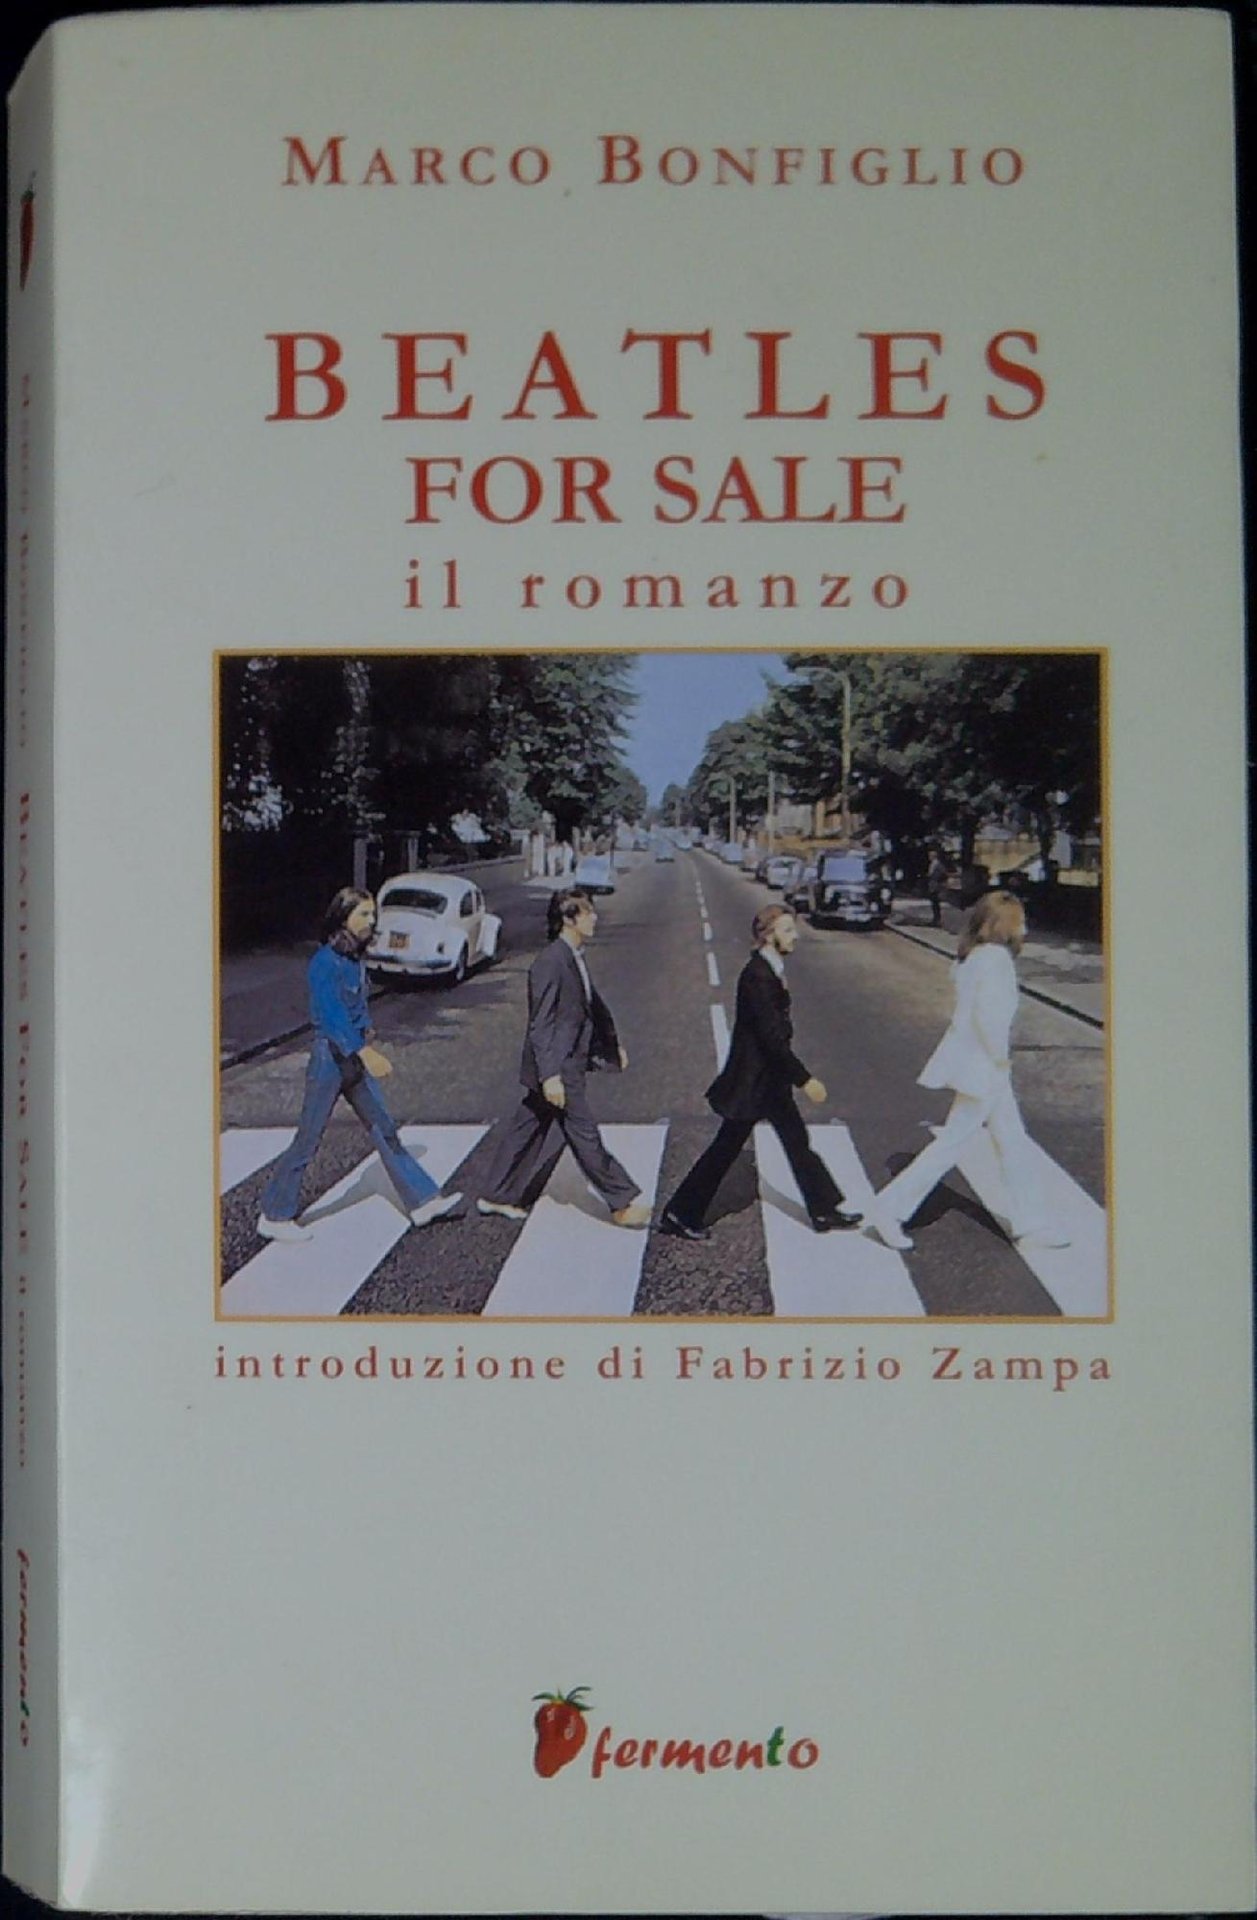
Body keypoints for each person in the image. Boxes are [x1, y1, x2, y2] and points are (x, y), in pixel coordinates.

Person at [257, 888, 462, 1242]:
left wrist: (366, 1030)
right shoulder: (324, 963)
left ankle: (422, 1201)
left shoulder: (354, 959)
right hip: (330, 1060)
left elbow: (356, 1007)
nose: (372, 920)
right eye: (364, 914)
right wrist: (364, 1051)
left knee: (384, 1127)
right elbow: (332, 1016)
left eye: (373, 914)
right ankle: (274, 1214)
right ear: (343, 917)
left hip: (352, 1058)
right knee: (308, 1139)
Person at [868, 890, 1069, 1252]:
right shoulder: (996, 960)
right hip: (986, 1067)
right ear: (1004, 925)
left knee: (1011, 1141)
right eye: (1020, 920)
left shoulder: (974, 957)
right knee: (953, 1144)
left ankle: (1031, 1224)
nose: (1025, 927)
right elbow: (988, 1018)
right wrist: (1000, 1059)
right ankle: (889, 1209)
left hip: (979, 1065)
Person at [659, 903, 862, 1242]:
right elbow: (771, 1039)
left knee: (798, 1143)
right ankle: (680, 1213)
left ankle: (824, 1209)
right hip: (754, 1083)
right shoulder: (758, 976)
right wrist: (805, 1079)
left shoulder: (770, 969)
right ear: (768, 936)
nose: (795, 936)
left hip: (770, 1082)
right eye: (787, 930)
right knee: (725, 1149)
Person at [477, 888, 650, 1227]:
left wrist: (611, 1047)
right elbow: (540, 1024)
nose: (594, 918)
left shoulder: (572, 956)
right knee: (585, 1135)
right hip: (559, 1066)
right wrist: (550, 1076)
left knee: (526, 1129)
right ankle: (622, 1201)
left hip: (566, 1060)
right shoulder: (550, 962)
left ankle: (495, 1194)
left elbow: (590, 1008)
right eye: (588, 912)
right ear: (569, 919)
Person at [926, 849, 948, 928]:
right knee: (934, 904)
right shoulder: (932, 864)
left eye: (930, 856)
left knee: (936, 904)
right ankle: (935, 920)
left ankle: (937, 920)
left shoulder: (938, 865)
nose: (929, 857)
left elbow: (943, 874)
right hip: (932, 886)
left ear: (934, 856)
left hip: (936, 887)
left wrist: (938, 881)